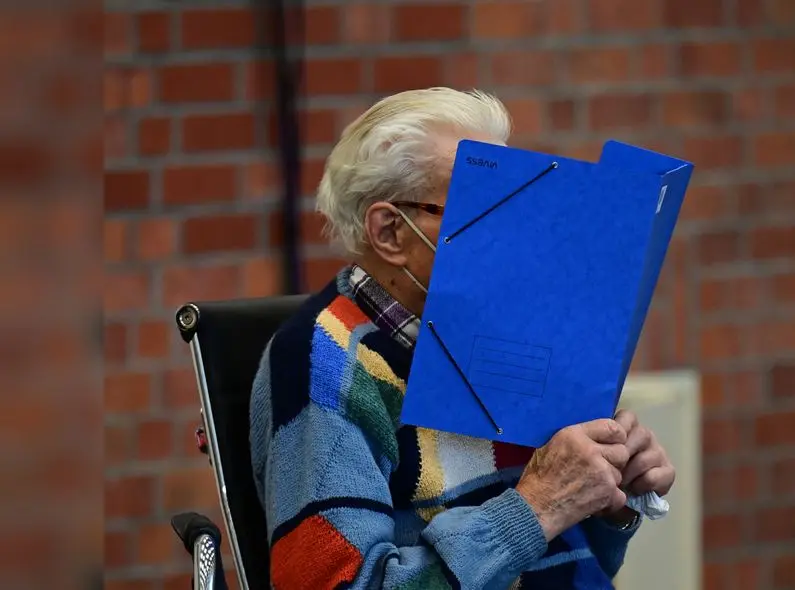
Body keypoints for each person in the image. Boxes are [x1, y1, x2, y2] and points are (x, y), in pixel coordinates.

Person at [250, 87, 676, 589]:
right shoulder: (324, 360)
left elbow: (570, 562)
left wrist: (607, 502)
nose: (514, 237)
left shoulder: (507, 332)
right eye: (487, 207)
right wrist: (536, 508)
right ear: (390, 232)